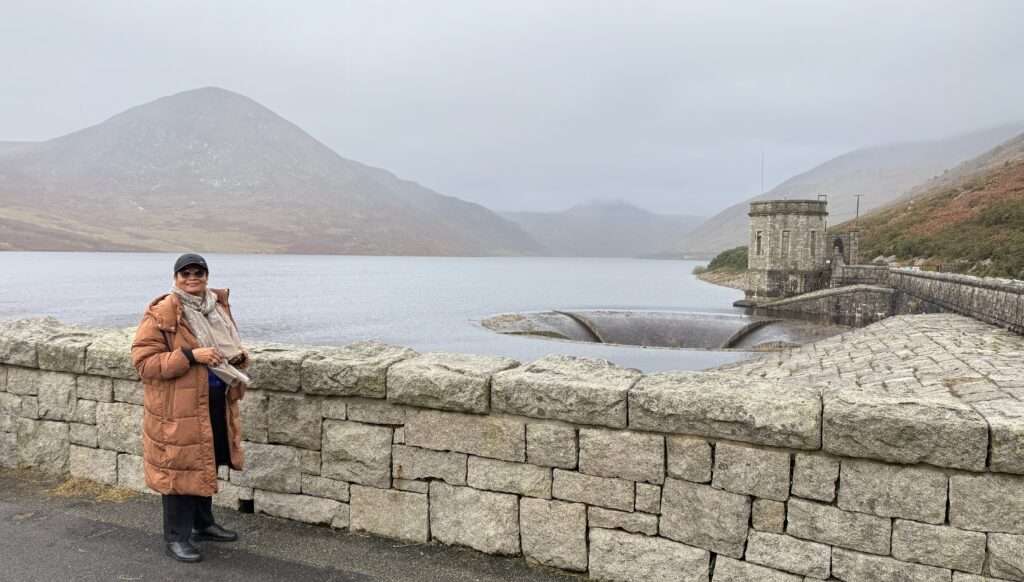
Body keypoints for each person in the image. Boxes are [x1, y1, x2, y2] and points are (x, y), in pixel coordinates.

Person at [131, 253, 251, 563]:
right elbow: (144, 364)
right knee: (178, 469)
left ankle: (202, 524)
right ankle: (176, 538)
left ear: (207, 276)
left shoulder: (216, 307)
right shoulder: (163, 312)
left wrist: (237, 358)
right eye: (185, 273)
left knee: (204, 461)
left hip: (213, 400)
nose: (192, 277)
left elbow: (224, 349)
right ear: (176, 278)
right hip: (177, 408)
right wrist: (190, 355)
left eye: (198, 272)